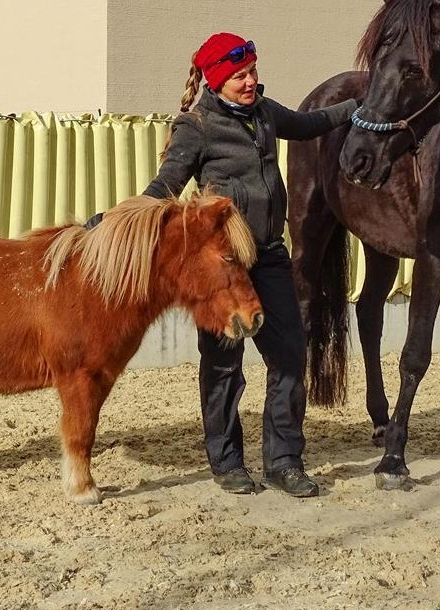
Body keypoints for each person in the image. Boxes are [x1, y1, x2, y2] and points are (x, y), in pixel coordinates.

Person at [89, 32, 356, 497]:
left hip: (270, 255)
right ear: (216, 80)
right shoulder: (197, 127)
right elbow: (165, 187)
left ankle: (284, 460)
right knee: (223, 366)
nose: (251, 81)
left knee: (290, 356)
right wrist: (112, 218)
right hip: (224, 266)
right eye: (239, 76)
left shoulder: (266, 114)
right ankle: (227, 460)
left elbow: (311, 123)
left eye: (252, 71)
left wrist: (358, 104)